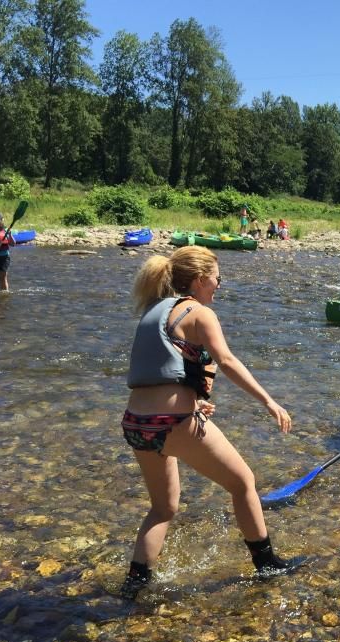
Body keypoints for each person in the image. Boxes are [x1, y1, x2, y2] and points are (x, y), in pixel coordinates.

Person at [119, 246, 297, 599]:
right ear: (200, 280)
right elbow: (226, 360)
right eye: (217, 277)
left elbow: (162, 374)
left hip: (136, 423)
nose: (219, 284)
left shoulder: (155, 310)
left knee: (163, 507)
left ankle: (133, 587)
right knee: (244, 482)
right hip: (173, 422)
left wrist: (197, 400)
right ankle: (267, 565)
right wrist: (269, 401)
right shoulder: (200, 313)